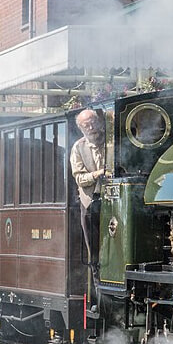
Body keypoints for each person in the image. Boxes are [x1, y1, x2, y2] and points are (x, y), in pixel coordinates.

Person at [70, 109, 108, 275]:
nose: (91, 127)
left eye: (93, 122)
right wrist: (98, 174)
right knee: (94, 251)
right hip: (90, 202)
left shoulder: (111, 141)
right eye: (86, 125)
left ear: (99, 122)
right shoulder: (78, 148)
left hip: (113, 200)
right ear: (81, 128)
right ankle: (96, 278)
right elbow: (79, 178)